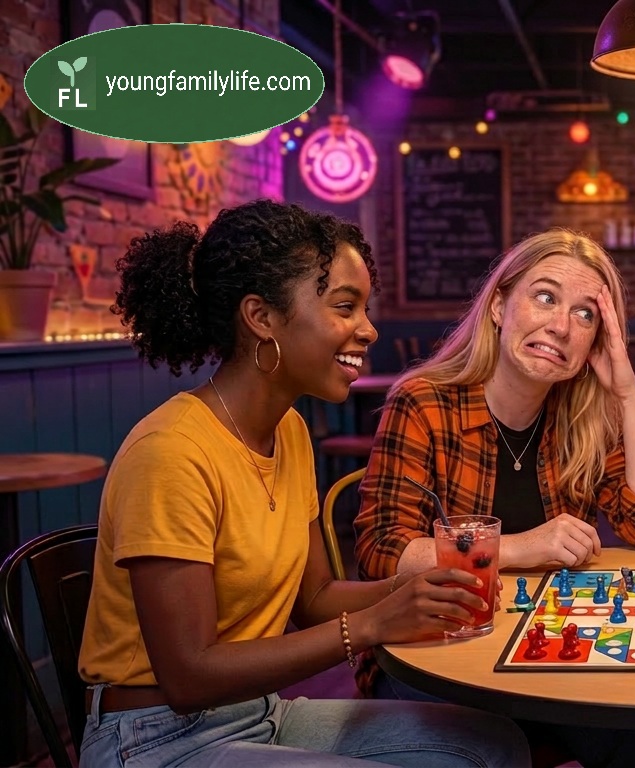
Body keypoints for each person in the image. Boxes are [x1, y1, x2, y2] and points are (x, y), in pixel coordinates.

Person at [78, 200, 529, 767]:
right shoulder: (171, 453)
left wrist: (435, 588)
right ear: (261, 318)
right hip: (153, 739)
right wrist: (370, 624)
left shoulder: (287, 430)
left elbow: (315, 600)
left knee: (493, 744)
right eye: (345, 307)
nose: (368, 329)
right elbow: (189, 677)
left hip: (256, 713)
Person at [353, 227, 635, 768]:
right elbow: (383, 552)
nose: (560, 325)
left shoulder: (584, 419)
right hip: (438, 658)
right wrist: (520, 547)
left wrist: (626, 390)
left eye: (585, 315)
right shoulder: (424, 402)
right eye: (545, 297)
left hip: (552, 655)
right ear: (501, 306)